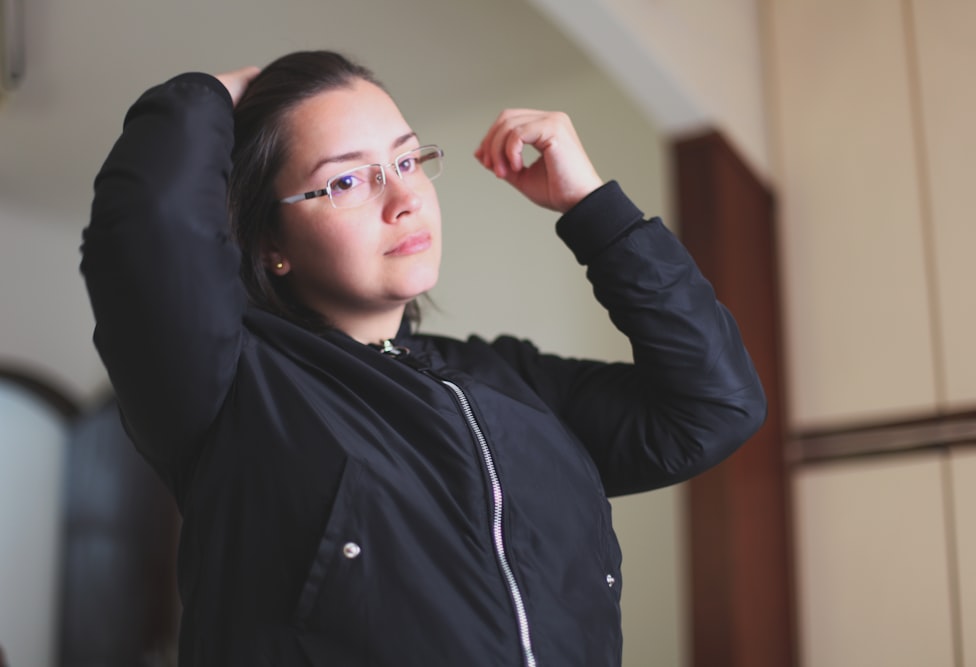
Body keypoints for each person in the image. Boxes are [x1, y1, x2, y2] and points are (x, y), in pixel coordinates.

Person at [81, 50, 765, 667]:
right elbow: (149, 229)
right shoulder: (233, 390)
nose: (405, 199)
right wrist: (212, 92)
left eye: (406, 161)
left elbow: (715, 404)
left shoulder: (512, 383)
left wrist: (593, 209)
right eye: (347, 181)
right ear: (268, 244)